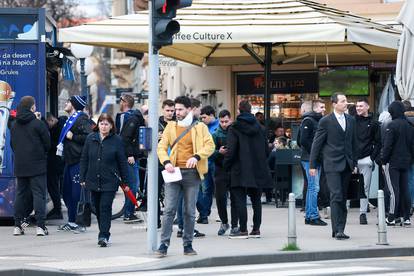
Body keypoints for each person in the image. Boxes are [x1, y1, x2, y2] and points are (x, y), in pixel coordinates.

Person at [156, 96, 215, 257]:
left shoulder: (200, 127)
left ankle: (188, 245)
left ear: (189, 109)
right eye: (176, 109)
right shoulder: (171, 126)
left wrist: (196, 156)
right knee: (168, 210)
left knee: (189, 211)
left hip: (192, 173)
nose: (177, 112)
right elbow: (161, 147)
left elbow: (210, 145)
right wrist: (166, 162)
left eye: (180, 109)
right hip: (173, 172)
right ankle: (163, 245)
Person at [309, 92, 357, 240]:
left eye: (346, 101)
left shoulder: (351, 120)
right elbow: (317, 143)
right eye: (342, 101)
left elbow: (354, 143)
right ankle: (337, 230)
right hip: (331, 164)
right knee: (336, 195)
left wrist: (354, 162)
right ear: (334, 104)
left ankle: (340, 227)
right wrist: (312, 164)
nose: (345, 103)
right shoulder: (326, 121)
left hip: (347, 164)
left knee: (343, 198)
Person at [224, 100, 272, 239]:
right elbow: (266, 151)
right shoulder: (261, 128)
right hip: (258, 169)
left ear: (239, 111)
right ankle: (256, 229)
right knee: (256, 200)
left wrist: (227, 165)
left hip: (239, 169)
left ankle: (243, 229)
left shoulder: (234, 128)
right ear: (250, 110)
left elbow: (231, 151)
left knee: (240, 199)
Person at [80, 113, 129, 247]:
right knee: (96, 207)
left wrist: (125, 182)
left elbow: (122, 162)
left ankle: (103, 235)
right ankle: (104, 231)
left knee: (105, 207)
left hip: (110, 180)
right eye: (101, 123)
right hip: (93, 179)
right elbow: (84, 158)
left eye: (106, 124)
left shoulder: (117, 140)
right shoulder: (91, 138)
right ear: (98, 125)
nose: (104, 126)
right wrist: (82, 177)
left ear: (111, 126)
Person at [11, 96, 51, 236]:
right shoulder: (37, 124)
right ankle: (40, 226)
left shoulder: (14, 125)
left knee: (20, 194)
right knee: (39, 194)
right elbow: (48, 144)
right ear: (32, 107)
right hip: (37, 165)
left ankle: (17, 225)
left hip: (20, 164)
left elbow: (12, 145)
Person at [57, 95, 93, 232]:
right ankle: (71, 221)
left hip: (78, 161)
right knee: (66, 193)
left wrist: (74, 137)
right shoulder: (69, 120)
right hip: (69, 160)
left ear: (73, 105)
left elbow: (89, 137)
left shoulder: (82, 118)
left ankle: (80, 223)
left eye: (68, 102)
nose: (66, 103)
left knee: (76, 194)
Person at [382, 101, 414, 226]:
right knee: (405, 189)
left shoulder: (392, 125)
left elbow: (387, 146)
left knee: (393, 190)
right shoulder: (410, 125)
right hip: (406, 162)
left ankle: (391, 217)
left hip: (393, 162)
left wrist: (383, 161)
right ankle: (406, 217)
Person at [117, 94, 145, 223]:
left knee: (132, 184)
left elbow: (125, 138)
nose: (119, 102)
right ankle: (129, 213)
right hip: (130, 155)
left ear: (125, 102)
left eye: (121, 100)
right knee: (132, 184)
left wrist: (129, 155)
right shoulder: (129, 117)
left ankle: (128, 212)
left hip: (129, 156)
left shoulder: (130, 118)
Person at [299, 99, 327, 226]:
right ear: (315, 108)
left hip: (313, 159)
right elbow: (302, 140)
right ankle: (313, 216)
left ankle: (310, 215)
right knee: (314, 188)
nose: (324, 109)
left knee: (312, 187)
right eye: (321, 107)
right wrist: (315, 154)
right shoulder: (309, 121)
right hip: (310, 160)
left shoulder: (316, 120)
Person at [211, 109, 238, 236]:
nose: (224, 124)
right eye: (221, 121)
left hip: (233, 169)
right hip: (220, 169)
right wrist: (218, 152)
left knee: (235, 198)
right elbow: (209, 152)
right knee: (220, 198)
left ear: (231, 119)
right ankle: (224, 222)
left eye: (226, 121)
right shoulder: (216, 134)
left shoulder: (236, 132)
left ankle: (234, 225)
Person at [354, 98, 380, 225]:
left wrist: (372, 158)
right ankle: (343, 210)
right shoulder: (351, 121)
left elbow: (378, 142)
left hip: (366, 159)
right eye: (357, 106)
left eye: (361, 106)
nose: (358, 108)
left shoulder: (374, 123)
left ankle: (362, 213)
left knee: (365, 187)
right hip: (352, 159)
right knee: (345, 184)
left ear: (367, 107)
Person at [197, 105, 219, 224]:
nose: (202, 120)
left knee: (219, 190)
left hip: (216, 162)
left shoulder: (219, 126)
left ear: (211, 115)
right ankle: (204, 214)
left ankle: (220, 214)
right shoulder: (202, 127)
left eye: (204, 117)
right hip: (205, 161)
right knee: (206, 189)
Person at [45, 113, 66, 220]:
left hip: (55, 163)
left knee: (53, 186)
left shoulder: (58, 129)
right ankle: (57, 209)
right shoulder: (59, 126)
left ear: (51, 120)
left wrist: (47, 144)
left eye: (48, 123)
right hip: (57, 162)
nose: (48, 126)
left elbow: (55, 145)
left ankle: (57, 210)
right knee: (54, 187)